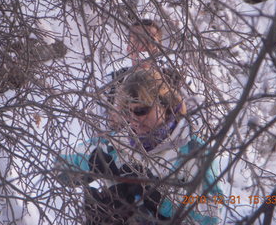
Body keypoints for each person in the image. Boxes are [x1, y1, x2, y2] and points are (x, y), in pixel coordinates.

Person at [56, 69, 222, 224]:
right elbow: (59, 165)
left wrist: (158, 197)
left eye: (141, 111)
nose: (134, 120)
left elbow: (212, 214)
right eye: (128, 112)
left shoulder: (194, 151)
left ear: (165, 105)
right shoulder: (119, 143)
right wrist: (92, 162)